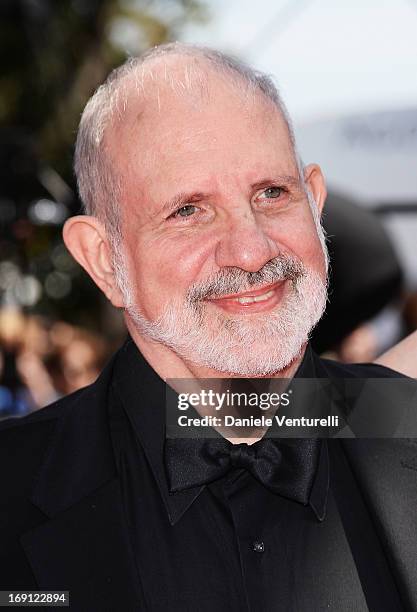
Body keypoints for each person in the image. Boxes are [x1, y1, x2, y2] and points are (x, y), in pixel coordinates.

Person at [0, 43, 416, 611]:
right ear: (103, 259)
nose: (250, 250)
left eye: (272, 193)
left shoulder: (400, 423)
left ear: (314, 204)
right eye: (188, 211)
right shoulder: (13, 487)